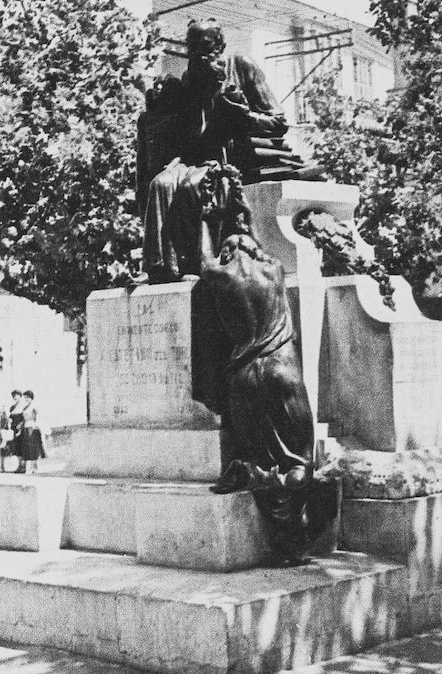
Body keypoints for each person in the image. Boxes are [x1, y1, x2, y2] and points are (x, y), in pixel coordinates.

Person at [197, 202, 336, 565]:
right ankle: (295, 538)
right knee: (300, 459)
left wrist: (205, 220)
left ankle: (286, 538)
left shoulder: (220, 276)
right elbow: (253, 247)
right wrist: (242, 214)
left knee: (261, 462)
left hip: (244, 375)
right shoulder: (274, 269)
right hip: (282, 370)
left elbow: (205, 259)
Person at [136, 19, 320, 283]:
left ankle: (198, 263)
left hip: (231, 162)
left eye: (206, 44)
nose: (199, 51)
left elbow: (278, 123)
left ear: (219, 46)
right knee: (160, 184)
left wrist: (244, 117)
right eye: (193, 45)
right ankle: (160, 268)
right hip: (195, 161)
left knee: (192, 186)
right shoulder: (189, 83)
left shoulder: (240, 68)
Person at [13, 390, 44, 474]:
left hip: (32, 428)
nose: (26, 399)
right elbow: (23, 419)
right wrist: (20, 427)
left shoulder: (34, 407)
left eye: (28, 397)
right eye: (25, 397)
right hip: (26, 428)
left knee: (33, 448)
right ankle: (32, 466)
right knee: (27, 448)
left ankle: (33, 467)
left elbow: (38, 417)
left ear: (31, 398)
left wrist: (36, 425)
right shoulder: (25, 407)